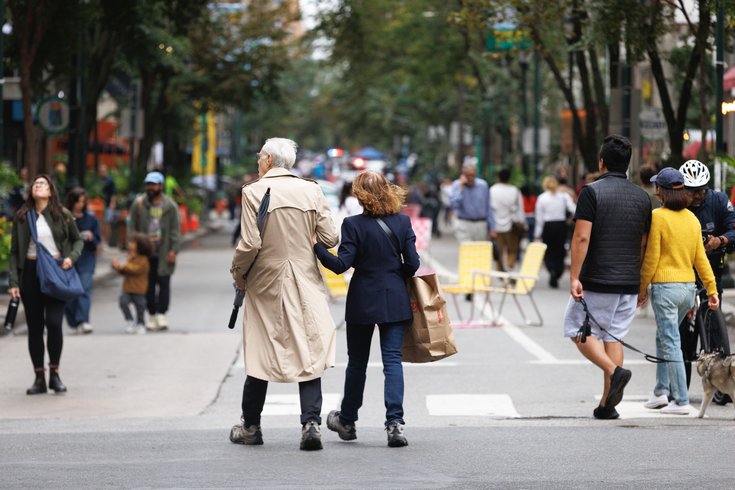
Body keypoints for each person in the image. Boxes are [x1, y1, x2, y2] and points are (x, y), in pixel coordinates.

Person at [228, 137, 338, 451]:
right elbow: (330, 237)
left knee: (261, 350)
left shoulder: (253, 192)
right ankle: (311, 423)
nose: (258, 161)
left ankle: (251, 426)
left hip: (265, 280)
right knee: (309, 349)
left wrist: (239, 274)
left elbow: (249, 245)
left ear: (268, 159)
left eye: (260, 156)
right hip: (304, 277)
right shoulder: (312, 190)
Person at [314, 170, 420, 448]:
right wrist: (394, 271)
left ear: (359, 196)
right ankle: (394, 424)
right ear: (387, 190)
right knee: (392, 361)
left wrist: (317, 247)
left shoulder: (352, 225)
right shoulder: (402, 222)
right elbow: (413, 264)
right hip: (395, 298)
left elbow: (340, 265)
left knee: (357, 363)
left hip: (362, 299)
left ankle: (347, 420)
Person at [563, 135, 652, 420]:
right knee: (614, 337)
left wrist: (575, 276)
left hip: (597, 279)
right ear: (628, 164)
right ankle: (606, 405)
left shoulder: (591, 192)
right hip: (628, 281)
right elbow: (644, 243)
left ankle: (615, 373)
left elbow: (581, 237)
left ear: (601, 162)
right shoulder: (643, 197)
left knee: (578, 330)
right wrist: (642, 281)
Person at [638, 167, 719, 415]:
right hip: (687, 290)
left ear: (660, 191)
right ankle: (660, 392)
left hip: (665, 287)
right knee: (665, 337)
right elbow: (700, 259)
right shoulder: (692, 219)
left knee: (671, 340)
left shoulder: (658, 217)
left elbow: (651, 258)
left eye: (657, 186)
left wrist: (641, 288)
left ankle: (681, 400)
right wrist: (712, 288)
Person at [8, 174, 83, 395]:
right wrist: (14, 281)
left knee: (54, 322)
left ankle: (55, 374)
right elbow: (14, 252)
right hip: (31, 273)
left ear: (50, 191)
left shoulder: (62, 214)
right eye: (35, 184)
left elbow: (77, 239)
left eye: (43, 184)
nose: (38, 186)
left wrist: (71, 258)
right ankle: (39, 377)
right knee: (35, 327)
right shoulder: (22, 217)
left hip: (56, 271)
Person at [128, 171, 181, 332]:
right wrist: (132, 247)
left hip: (164, 251)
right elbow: (131, 227)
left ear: (160, 186)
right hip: (145, 252)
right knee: (148, 285)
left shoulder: (170, 206)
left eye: (154, 184)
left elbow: (175, 230)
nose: (150, 187)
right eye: (148, 184)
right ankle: (151, 314)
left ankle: (161, 314)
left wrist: (174, 250)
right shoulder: (138, 204)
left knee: (164, 283)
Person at [63, 188, 100, 335]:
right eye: (78, 201)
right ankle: (74, 321)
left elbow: (97, 241)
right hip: (69, 260)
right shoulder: (64, 218)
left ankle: (84, 320)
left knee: (85, 288)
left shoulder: (91, 219)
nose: (80, 205)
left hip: (86, 259)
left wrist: (91, 238)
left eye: (83, 202)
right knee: (69, 292)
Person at [534, 176, 576, 288]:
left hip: (548, 226)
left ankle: (551, 268)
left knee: (548, 250)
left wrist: (537, 233)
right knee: (560, 249)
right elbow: (574, 209)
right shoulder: (563, 196)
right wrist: (569, 220)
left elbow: (539, 218)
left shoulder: (542, 198)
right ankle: (558, 270)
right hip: (560, 225)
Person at [112, 233, 151, 335]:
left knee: (140, 307)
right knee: (123, 301)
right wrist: (117, 267)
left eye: (133, 242)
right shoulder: (130, 258)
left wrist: (122, 266)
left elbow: (135, 269)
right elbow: (126, 271)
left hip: (139, 289)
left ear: (140, 245)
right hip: (128, 288)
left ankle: (141, 323)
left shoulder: (144, 260)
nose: (130, 244)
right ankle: (130, 320)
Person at [449, 163, 495, 242]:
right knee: (466, 251)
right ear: (463, 175)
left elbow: (488, 208)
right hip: (463, 223)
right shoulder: (457, 185)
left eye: (472, 175)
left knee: (479, 252)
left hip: (480, 224)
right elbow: (454, 204)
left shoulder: (483, 185)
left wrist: (492, 228)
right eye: (468, 175)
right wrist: (461, 189)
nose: (470, 178)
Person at [490, 168, 526, 271]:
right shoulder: (514, 190)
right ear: (509, 178)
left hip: (496, 226)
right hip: (511, 225)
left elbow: (490, 209)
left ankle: (500, 270)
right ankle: (510, 267)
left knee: (499, 250)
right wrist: (522, 223)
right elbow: (520, 209)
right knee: (512, 250)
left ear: (498, 177)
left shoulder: (492, 190)